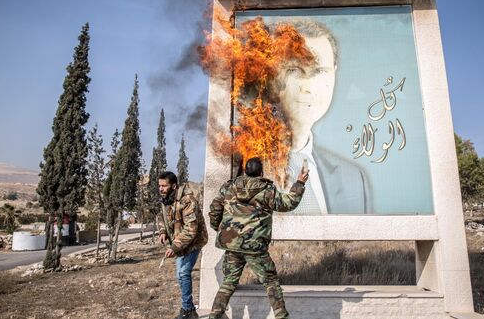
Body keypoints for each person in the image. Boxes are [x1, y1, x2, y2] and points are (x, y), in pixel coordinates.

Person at [268, 19, 371, 214]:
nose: (307, 87)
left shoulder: (354, 179)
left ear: (334, 73)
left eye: (319, 71)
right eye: (294, 70)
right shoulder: (246, 168)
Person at [208, 157, 309, 319]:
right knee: (270, 282)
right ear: (261, 172)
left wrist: (221, 230)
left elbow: (214, 210)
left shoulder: (229, 187)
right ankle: (282, 316)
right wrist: (299, 183)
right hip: (255, 247)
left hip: (232, 244)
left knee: (228, 282)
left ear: (245, 171)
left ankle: (214, 315)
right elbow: (288, 203)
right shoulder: (267, 190)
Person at [157, 171, 208, 319]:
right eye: (159, 186)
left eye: (164, 186)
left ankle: (187, 310)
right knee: (180, 275)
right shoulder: (166, 199)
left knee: (183, 273)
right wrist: (163, 232)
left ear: (174, 186)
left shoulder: (188, 201)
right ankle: (190, 309)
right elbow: (162, 216)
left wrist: (174, 247)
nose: (161, 189)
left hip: (193, 241)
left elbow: (191, 230)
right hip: (180, 241)